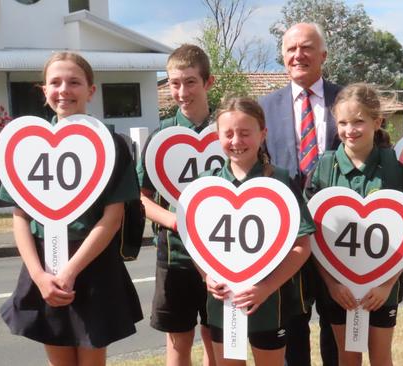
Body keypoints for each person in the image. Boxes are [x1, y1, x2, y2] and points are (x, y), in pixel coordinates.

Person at [0, 51, 143, 366]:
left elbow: (113, 217)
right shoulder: (26, 143)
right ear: (44, 90)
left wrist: (69, 272)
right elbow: (20, 217)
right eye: (55, 82)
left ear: (91, 90)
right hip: (43, 268)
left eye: (74, 82)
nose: (64, 90)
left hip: (92, 263)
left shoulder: (111, 144)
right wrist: (40, 276)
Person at [305, 83, 403, 366]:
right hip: (338, 289)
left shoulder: (395, 166)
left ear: (377, 121)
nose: (350, 130)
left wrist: (385, 285)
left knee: (381, 358)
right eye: (343, 123)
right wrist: (333, 284)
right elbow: (311, 235)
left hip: (383, 287)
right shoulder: (324, 167)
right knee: (348, 358)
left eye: (359, 121)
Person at [201, 96, 314, 366]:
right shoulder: (207, 184)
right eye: (228, 134)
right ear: (217, 136)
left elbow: (302, 246)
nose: (236, 141)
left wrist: (265, 288)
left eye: (245, 133)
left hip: (270, 304)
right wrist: (206, 275)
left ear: (262, 134)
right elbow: (198, 245)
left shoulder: (280, 180)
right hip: (223, 302)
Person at [258, 22, 341, 366]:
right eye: (291, 49)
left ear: (323, 55)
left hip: (339, 234)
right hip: (288, 239)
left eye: (306, 48)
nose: (298, 55)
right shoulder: (263, 108)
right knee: (293, 330)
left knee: (338, 325)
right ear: (282, 57)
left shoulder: (347, 101)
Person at [137, 44, 216, 366]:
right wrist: (176, 221)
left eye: (190, 82)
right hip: (174, 256)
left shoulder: (230, 131)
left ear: (208, 82)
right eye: (174, 83)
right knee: (178, 344)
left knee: (221, 342)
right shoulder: (161, 137)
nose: (182, 91)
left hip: (223, 256)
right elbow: (140, 197)